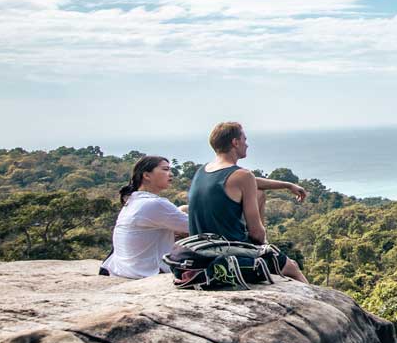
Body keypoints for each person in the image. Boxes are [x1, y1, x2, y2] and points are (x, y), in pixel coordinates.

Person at [188, 121, 309, 283]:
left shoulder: (203, 171)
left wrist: (286, 185)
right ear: (235, 142)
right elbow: (256, 233)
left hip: (201, 251)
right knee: (292, 268)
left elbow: (248, 181)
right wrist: (264, 245)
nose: (247, 144)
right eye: (244, 139)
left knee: (259, 193)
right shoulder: (242, 176)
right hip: (229, 253)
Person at [100, 155, 190, 278]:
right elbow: (199, 226)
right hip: (145, 272)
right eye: (165, 169)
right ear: (146, 175)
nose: (171, 174)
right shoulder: (155, 204)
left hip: (122, 269)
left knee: (184, 210)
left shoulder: (133, 201)